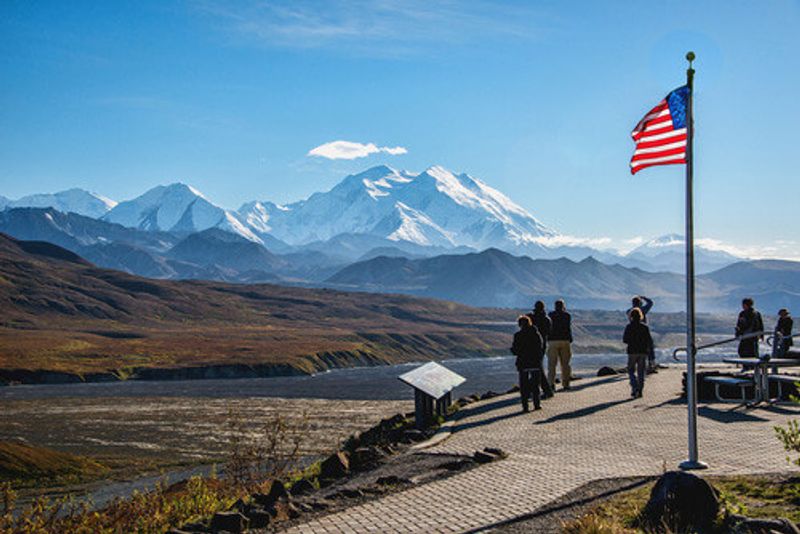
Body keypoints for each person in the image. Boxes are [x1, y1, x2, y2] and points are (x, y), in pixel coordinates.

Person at [511, 315, 544, 412]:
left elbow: (515, 350)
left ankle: (525, 407)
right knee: (535, 385)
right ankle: (537, 404)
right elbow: (540, 348)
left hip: (523, 363)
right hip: (535, 363)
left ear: (520, 324)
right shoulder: (536, 334)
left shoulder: (517, 335)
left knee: (523, 386)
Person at [623, 308, 653, 398]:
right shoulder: (645, 327)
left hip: (632, 351)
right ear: (641, 316)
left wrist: (632, 341)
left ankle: (634, 385)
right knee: (641, 372)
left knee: (631, 370)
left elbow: (625, 340)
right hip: (643, 352)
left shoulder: (629, 327)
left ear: (631, 316)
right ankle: (640, 390)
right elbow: (649, 341)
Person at [527, 301, 554, 398]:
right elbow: (549, 332)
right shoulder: (547, 319)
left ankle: (542, 390)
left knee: (536, 368)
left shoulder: (531, 318)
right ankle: (535, 389)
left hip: (530, 346)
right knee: (538, 366)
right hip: (542, 345)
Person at [547, 299, 573, 391]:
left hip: (553, 341)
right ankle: (566, 384)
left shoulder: (550, 315)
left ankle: (551, 384)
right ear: (563, 306)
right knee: (565, 364)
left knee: (552, 365)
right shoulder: (567, 315)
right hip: (565, 340)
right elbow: (568, 328)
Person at [626, 295, 656, 372]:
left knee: (634, 349)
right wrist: (643, 297)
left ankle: (633, 367)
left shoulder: (629, 311)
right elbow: (650, 303)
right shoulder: (642, 310)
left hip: (633, 332)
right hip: (643, 331)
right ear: (640, 303)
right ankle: (651, 365)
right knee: (649, 347)